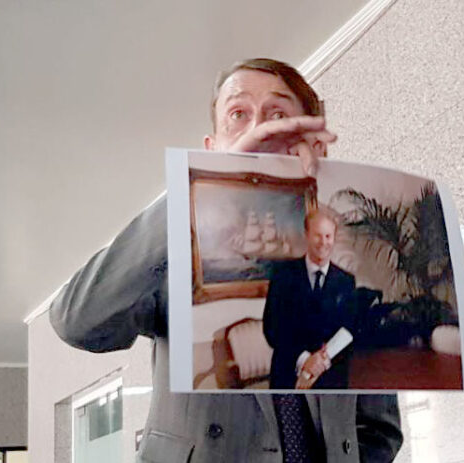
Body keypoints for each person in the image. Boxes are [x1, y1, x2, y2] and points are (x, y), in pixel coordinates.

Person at [50, 58, 402, 462]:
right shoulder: (173, 250)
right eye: (239, 115)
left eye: (277, 115)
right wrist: (198, 189)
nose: (258, 130)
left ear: (313, 144)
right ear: (211, 148)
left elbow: (378, 428)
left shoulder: (345, 267)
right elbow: (75, 321)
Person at [264, 210, 356, 390]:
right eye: (317, 235)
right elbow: (272, 328)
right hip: (288, 376)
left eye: (328, 236)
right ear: (306, 236)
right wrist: (305, 360)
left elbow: (349, 330)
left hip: (330, 380)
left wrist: (319, 364)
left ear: (334, 238)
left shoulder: (346, 281)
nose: (323, 242)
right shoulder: (282, 275)